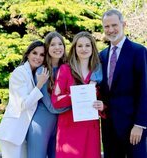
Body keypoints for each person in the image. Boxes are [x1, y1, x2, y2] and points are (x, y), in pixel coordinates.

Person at [94, 9, 147, 158]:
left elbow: (145, 89)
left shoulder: (139, 51)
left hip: (133, 127)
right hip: (109, 127)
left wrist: (140, 124)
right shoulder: (102, 55)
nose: (110, 30)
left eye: (114, 25)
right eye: (106, 26)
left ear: (124, 24)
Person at [51, 31, 104, 158]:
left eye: (87, 45)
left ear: (93, 48)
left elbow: (105, 99)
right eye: (80, 46)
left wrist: (102, 106)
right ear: (74, 48)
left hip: (90, 128)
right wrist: (76, 95)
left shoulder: (98, 71)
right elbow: (56, 101)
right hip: (69, 127)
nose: (84, 49)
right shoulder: (65, 69)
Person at [0, 40, 49, 158]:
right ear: (28, 54)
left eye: (42, 55)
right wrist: (39, 85)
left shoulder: (34, 73)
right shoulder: (19, 73)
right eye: (35, 53)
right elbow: (23, 104)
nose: (38, 57)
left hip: (24, 134)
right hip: (12, 133)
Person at [26, 31, 69, 158]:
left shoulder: (67, 69)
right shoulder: (42, 71)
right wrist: (74, 106)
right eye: (53, 44)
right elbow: (51, 107)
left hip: (59, 125)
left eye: (60, 44)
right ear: (47, 48)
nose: (57, 47)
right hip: (41, 125)